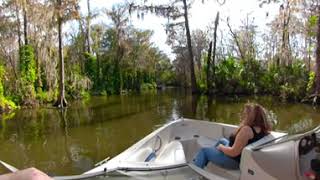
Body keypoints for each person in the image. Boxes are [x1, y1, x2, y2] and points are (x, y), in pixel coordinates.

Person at [193, 103, 272, 169]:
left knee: (204, 150)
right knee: (222, 140)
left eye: (246, 114)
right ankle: (202, 161)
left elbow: (233, 152)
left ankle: (198, 167)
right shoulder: (263, 129)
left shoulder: (247, 130)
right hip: (239, 156)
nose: (243, 116)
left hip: (233, 161)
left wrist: (221, 147)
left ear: (251, 117)